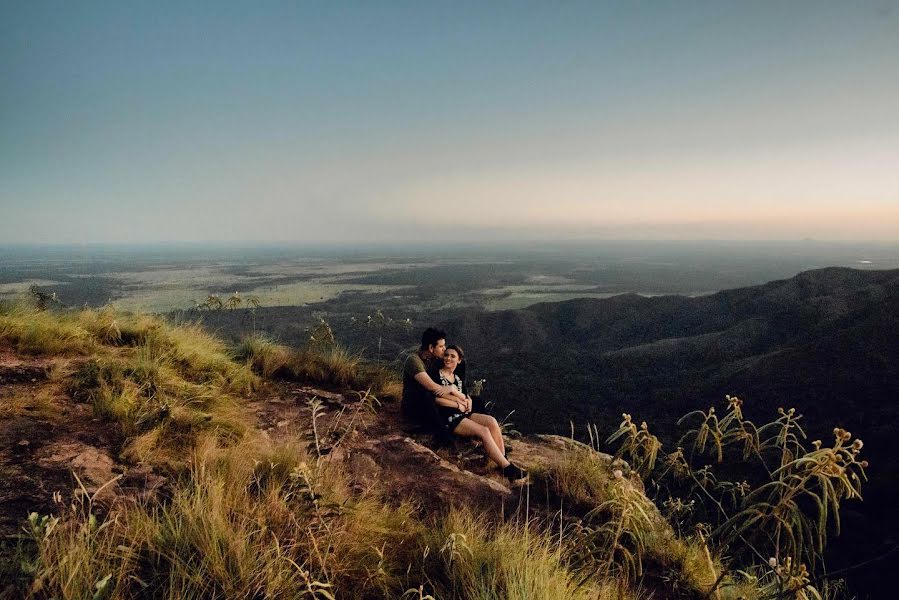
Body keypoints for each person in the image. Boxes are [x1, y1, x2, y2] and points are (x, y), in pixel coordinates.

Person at [429, 344, 527, 484]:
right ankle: (508, 468)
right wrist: (458, 402)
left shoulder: (457, 378)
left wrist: (466, 400)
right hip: (448, 416)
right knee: (483, 431)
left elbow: (465, 395)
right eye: (446, 355)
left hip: (463, 413)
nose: (448, 358)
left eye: (452, 356)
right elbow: (436, 399)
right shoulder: (436, 375)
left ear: (459, 360)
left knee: (491, 422)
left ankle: (503, 461)